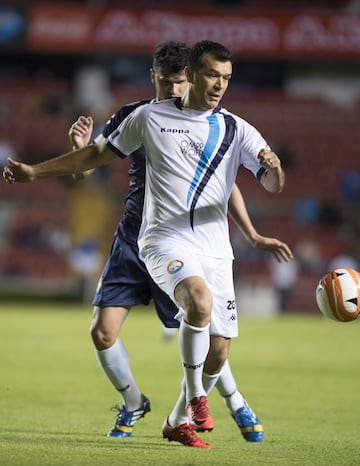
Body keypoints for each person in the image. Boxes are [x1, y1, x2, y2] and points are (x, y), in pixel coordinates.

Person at [3, 41, 288, 448]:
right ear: (160, 76)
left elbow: (223, 185)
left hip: (200, 243)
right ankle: (155, 401)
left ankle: (214, 406)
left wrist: (255, 224)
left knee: (214, 341)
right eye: (172, 81)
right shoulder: (140, 117)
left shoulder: (228, 128)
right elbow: (91, 163)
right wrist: (61, 158)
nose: (178, 89)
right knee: (117, 328)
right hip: (144, 238)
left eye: (225, 78)